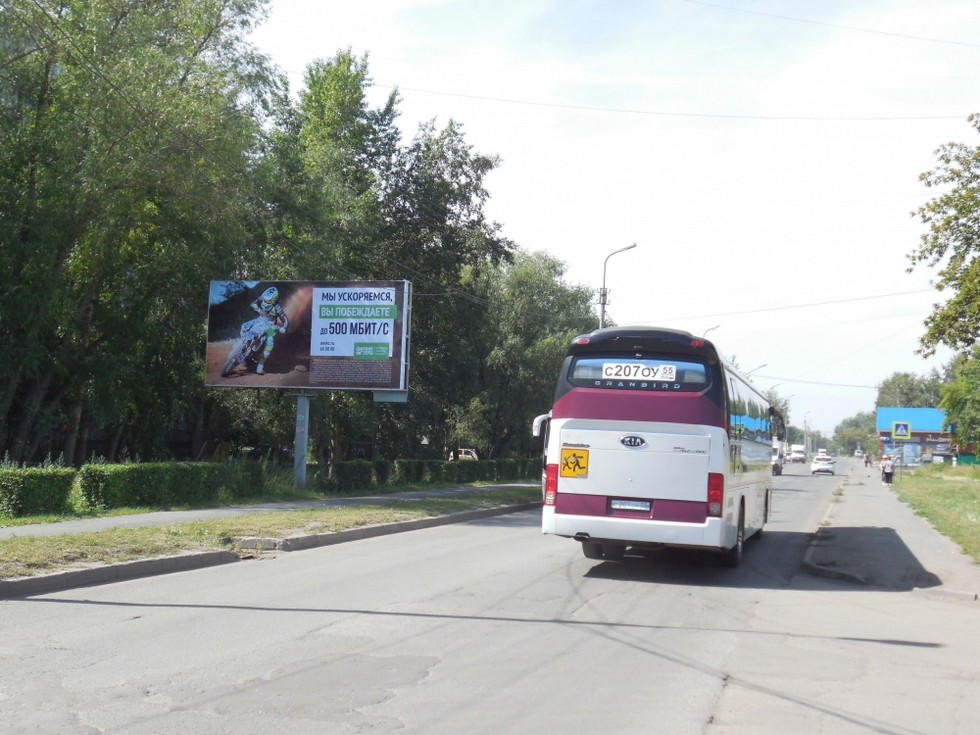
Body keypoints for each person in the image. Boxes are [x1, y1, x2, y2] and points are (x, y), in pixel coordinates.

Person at [244, 286, 289, 375]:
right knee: (245, 327)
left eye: (267, 300)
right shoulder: (262, 298)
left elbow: (285, 320)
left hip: (270, 327)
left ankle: (260, 366)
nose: (265, 301)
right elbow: (253, 303)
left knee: (270, 344)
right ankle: (243, 345)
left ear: (274, 300)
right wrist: (255, 306)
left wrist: (284, 327)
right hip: (260, 320)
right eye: (264, 298)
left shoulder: (277, 308)